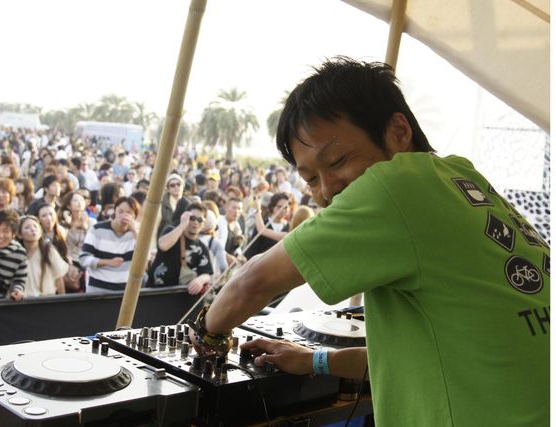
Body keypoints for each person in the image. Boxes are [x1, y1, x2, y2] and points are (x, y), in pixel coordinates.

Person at [192, 57, 549, 426]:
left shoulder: (396, 187)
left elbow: (253, 281)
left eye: (338, 160)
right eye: (310, 179)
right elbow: (412, 354)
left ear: (398, 132)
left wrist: (209, 335)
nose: (327, 190)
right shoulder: (461, 178)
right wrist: (314, 360)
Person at [147, 202, 213, 295]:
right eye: (192, 218)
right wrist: (182, 225)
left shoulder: (202, 248)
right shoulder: (171, 230)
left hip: (179, 296)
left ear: (204, 223)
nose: (195, 222)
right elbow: (163, 245)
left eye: (200, 219)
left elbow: (207, 273)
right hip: (154, 291)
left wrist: (200, 280)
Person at [80, 196, 140, 293]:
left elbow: (144, 261)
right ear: (114, 211)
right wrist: (107, 262)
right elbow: (84, 259)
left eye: (129, 213)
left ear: (135, 216)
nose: (124, 215)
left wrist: (134, 231)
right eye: (120, 211)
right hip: (97, 287)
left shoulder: (137, 234)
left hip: (124, 290)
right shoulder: (97, 229)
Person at [17, 215, 67, 296]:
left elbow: (58, 278)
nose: (33, 229)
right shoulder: (17, 253)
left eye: (35, 226)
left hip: (47, 297)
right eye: (27, 227)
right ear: (19, 234)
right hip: (24, 299)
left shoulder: (48, 250)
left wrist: (62, 299)